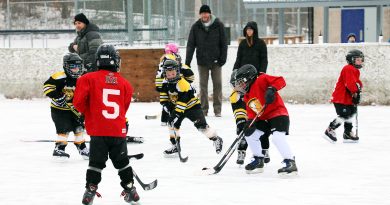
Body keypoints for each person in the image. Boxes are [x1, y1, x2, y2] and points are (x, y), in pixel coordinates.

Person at [73, 44, 140, 204]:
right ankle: (130, 189)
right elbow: (124, 108)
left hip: (98, 131)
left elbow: (78, 103)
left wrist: (88, 113)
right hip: (117, 131)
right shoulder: (125, 83)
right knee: (123, 163)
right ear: (115, 61)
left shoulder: (86, 79)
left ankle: (90, 190)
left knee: (95, 164)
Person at [230, 64, 298, 175]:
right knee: (250, 134)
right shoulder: (247, 96)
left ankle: (290, 162)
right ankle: (258, 160)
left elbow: (281, 80)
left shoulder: (262, 79)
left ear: (249, 78)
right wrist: (249, 124)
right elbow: (253, 113)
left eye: (240, 83)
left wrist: (272, 88)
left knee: (277, 138)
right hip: (264, 118)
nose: (238, 87)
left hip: (278, 113)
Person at [159, 58, 223, 157]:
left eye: (173, 73)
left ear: (177, 71)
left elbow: (183, 101)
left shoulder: (183, 84)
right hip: (178, 106)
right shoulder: (164, 82)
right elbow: (163, 94)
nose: (171, 76)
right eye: (168, 74)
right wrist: (165, 104)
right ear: (164, 73)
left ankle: (216, 138)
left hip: (192, 107)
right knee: (172, 124)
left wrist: (175, 113)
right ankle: (175, 146)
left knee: (201, 126)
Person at [231, 21, 269, 165]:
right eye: (247, 30)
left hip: (256, 78)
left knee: (258, 118)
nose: (249, 32)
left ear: (255, 31)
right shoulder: (242, 44)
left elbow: (264, 59)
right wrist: (235, 72)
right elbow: (238, 59)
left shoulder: (260, 44)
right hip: (243, 79)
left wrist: (262, 74)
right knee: (243, 120)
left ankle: (264, 149)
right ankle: (242, 150)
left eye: (251, 30)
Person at [43, 53, 89, 159]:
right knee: (63, 129)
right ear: (66, 67)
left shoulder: (83, 78)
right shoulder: (58, 76)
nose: (76, 69)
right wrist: (57, 96)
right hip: (59, 110)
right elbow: (47, 87)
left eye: (78, 67)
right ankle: (59, 149)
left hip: (75, 110)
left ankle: (82, 148)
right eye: (73, 67)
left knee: (79, 129)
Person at [185, 4, 227, 117]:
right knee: (203, 86)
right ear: (200, 14)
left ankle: (217, 110)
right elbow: (190, 45)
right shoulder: (196, 27)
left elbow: (224, 43)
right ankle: (204, 110)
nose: (204, 15)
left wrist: (222, 59)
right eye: (202, 13)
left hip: (216, 61)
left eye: (206, 13)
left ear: (209, 13)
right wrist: (187, 62)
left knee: (217, 85)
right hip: (202, 61)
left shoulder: (218, 25)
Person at [324, 49, 363, 143]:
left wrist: (358, 91)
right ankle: (330, 129)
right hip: (340, 98)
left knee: (352, 113)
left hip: (347, 98)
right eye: (358, 59)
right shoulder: (348, 68)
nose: (360, 61)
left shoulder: (356, 70)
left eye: (361, 59)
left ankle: (347, 133)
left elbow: (357, 82)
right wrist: (355, 92)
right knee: (345, 115)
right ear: (351, 60)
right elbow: (349, 83)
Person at [155, 43, 194, 126]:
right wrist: (185, 83)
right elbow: (191, 76)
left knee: (166, 103)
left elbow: (159, 74)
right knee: (175, 102)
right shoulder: (175, 59)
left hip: (165, 86)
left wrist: (159, 86)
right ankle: (175, 118)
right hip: (174, 85)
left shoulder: (162, 60)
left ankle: (164, 120)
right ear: (173, 52)